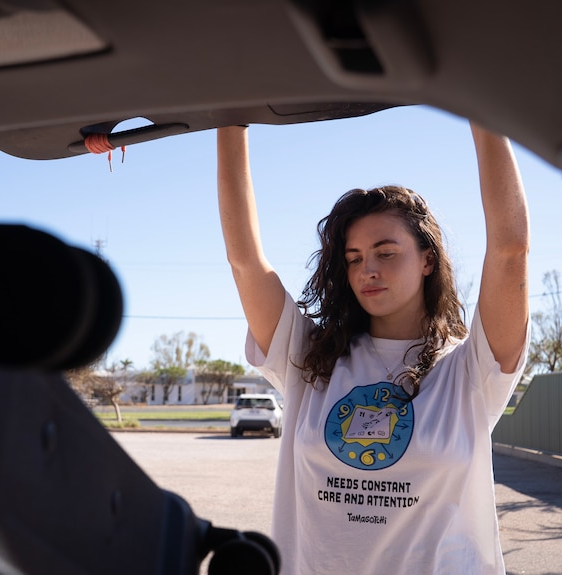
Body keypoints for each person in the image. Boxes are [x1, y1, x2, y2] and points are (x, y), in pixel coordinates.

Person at [216, 121, 530, 574]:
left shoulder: (470, 368)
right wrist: (231, 118)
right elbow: (244, 258)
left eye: (386, 253)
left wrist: (478, 102)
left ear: (427, 259)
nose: (369, 270)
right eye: (355, 258)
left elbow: (510, 250)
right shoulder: (308, 357)